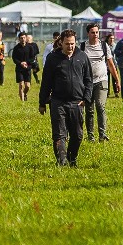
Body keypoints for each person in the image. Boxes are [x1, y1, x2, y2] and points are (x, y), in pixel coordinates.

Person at [39, 30, 93, 167]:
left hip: (77, 102)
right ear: (61, 43)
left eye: (73, 44)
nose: (70, 47)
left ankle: (71, 158)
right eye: (67, 44)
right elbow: (46, 82)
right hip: (58, 102)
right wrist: (42, 102)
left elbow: (88, 80)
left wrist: (86, 98)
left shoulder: (82, 57)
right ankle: (61, 161)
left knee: (78, 135)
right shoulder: (53, 58)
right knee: (59, 134)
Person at [81, 23, 120, 142]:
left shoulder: (104, 46)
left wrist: (117, 80)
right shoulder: (83, 47)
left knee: (100, 105)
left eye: (97, 32)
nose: (95, 35)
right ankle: (90, 136)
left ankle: (102, 135)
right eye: (92, 32)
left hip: (102, 80)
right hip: (87, 82)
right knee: (89, 110)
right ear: (88, 33)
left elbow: (111, 64)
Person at [12, 32, 33, 102]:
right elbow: (14, 58)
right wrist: (20, 63)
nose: (23, 39)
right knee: (21, 84)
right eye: (21, 38)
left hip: (28, 68)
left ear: (26, 38)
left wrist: (27, 63)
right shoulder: (16, 48)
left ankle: (24, 94)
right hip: (19, 69)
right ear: (19, 39)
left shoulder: (30, 47)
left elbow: (32, 58)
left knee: (27, 86)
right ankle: (22, 102)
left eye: (24, 38)